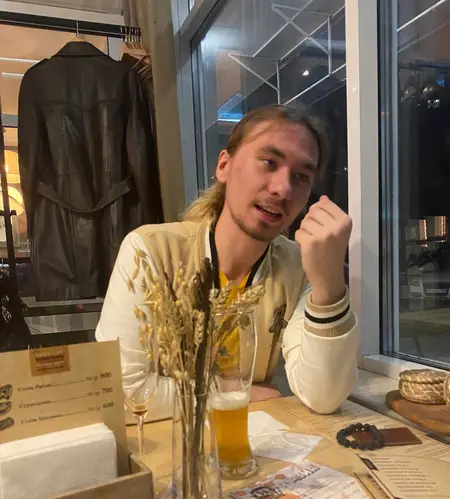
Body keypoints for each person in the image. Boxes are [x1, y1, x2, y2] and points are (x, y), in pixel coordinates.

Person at [96, 105, 359, 420]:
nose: (283, 188)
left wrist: (329, 286)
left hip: (257, 440)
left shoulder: (297, 268)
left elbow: (323, 397)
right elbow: (123, 393)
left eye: (301, 176)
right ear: (224, 166)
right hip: (169, 445)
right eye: (269, 162)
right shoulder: (152, 251)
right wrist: (238, 392)